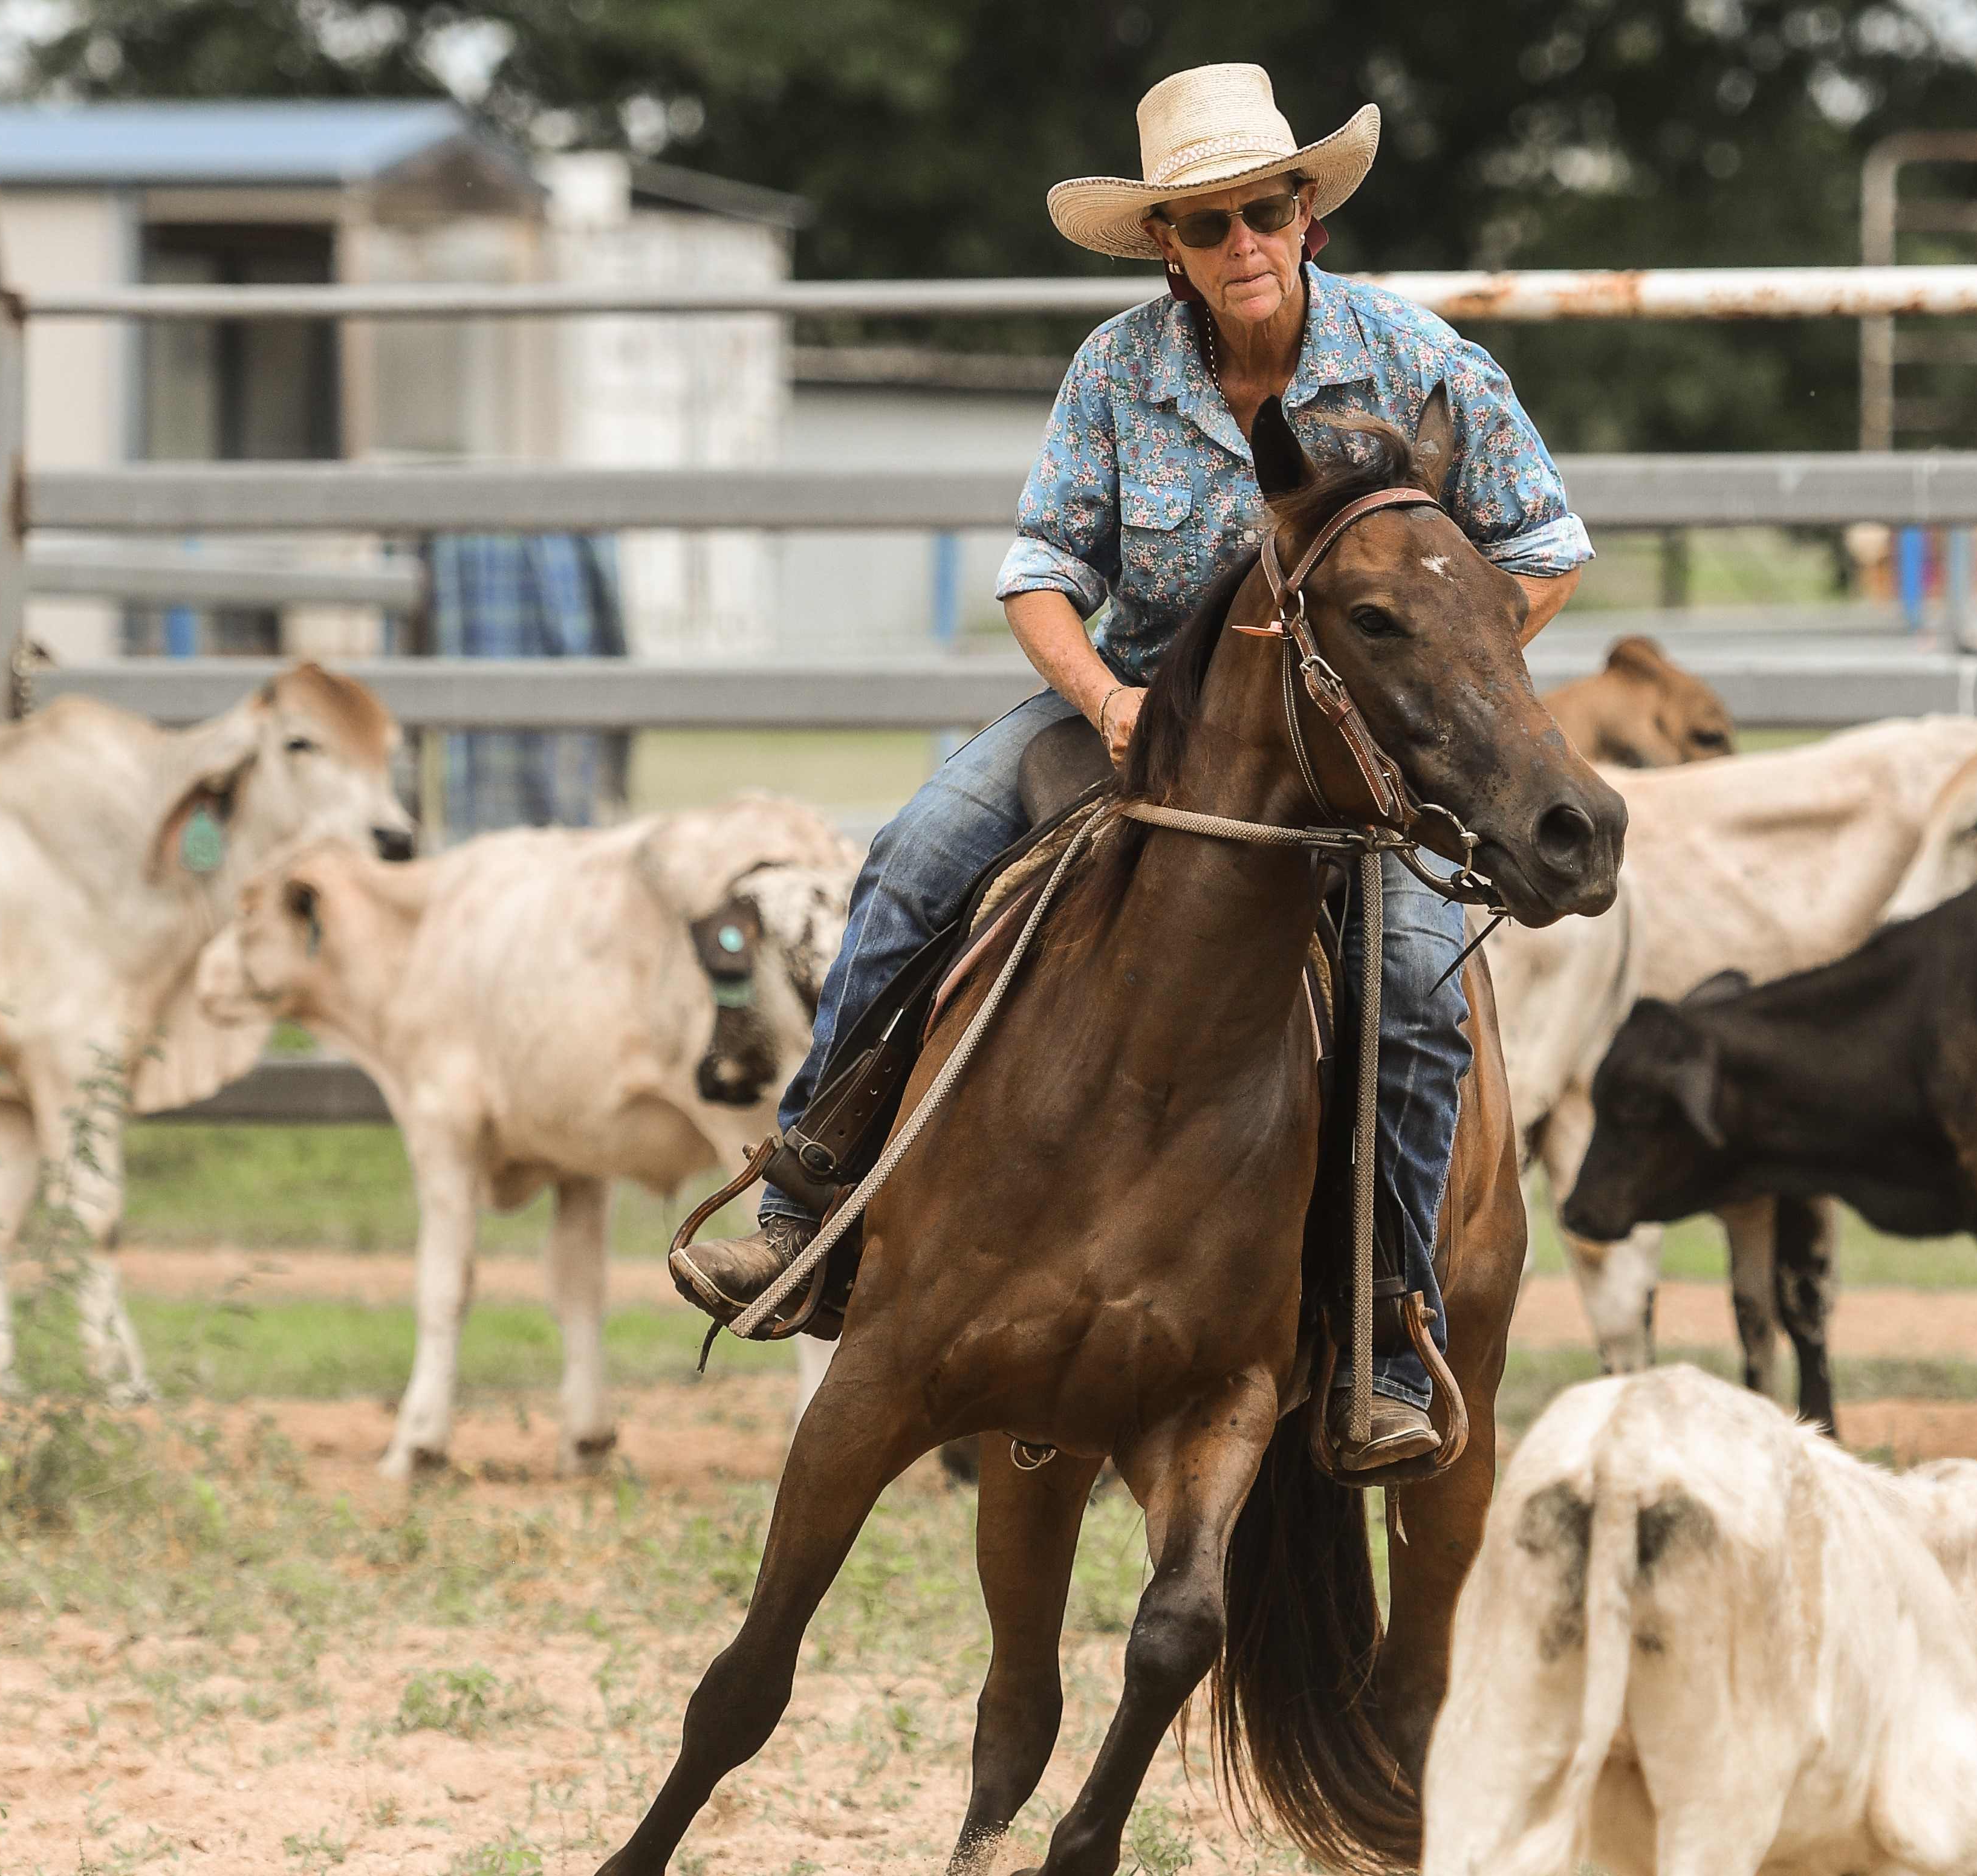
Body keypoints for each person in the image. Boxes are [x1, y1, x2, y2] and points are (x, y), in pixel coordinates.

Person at [673, 62, 1589, 1475]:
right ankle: (809, 1202)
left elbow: (1542, 549)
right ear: (1168, 243)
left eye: (1264, 212)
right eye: (1208, 223)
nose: (1244, 244)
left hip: (1354, 755)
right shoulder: (1115, 370)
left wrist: (1420, 694)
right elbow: (1043, 572)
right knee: (915, 855)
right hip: (1143, 709)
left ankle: (1387, 1344)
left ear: (1308, 215)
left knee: (1415, 996)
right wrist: (1104, 699)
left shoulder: (1419, 362)